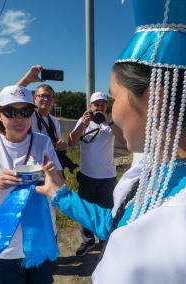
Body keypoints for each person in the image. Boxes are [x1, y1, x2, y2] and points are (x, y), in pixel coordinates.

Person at [36, 0, 186, 283]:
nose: (112, 112)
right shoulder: (163, 176)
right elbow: (117, 223)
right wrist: (59, 193)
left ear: (155, 99)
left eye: (115, 98)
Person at [0, 85, 62, 284]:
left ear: (32, 114)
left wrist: (53, 175)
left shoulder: (43, 142)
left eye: (25, 111)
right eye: (11, 111)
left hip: (41, 239)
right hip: (4, 246)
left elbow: (61, 189)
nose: (19, 118)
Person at [68, 91, 125, 256]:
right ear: (90, 106)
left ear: (106, 106)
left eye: (102, 104)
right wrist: (82, 124)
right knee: (85, 209)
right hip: (87, 174)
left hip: (107, 175)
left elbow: (123, 141)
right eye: (96, 104)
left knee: (106, 209)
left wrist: (110, 122)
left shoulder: (112, 123)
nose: (99, 107)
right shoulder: (83, 121)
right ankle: (88, 241)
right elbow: (71, 142)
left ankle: (104, 240)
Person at [17, 65, 78, 173]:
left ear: (53, 101)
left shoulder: (54, 121)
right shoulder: (27, 116)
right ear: (34, 98)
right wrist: (27, 79)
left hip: (51, 168)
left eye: (49, 97)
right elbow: (12, 96)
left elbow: (57, 143)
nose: (46, 99)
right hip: (30, 168)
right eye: (42, 96)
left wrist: (62, 145)